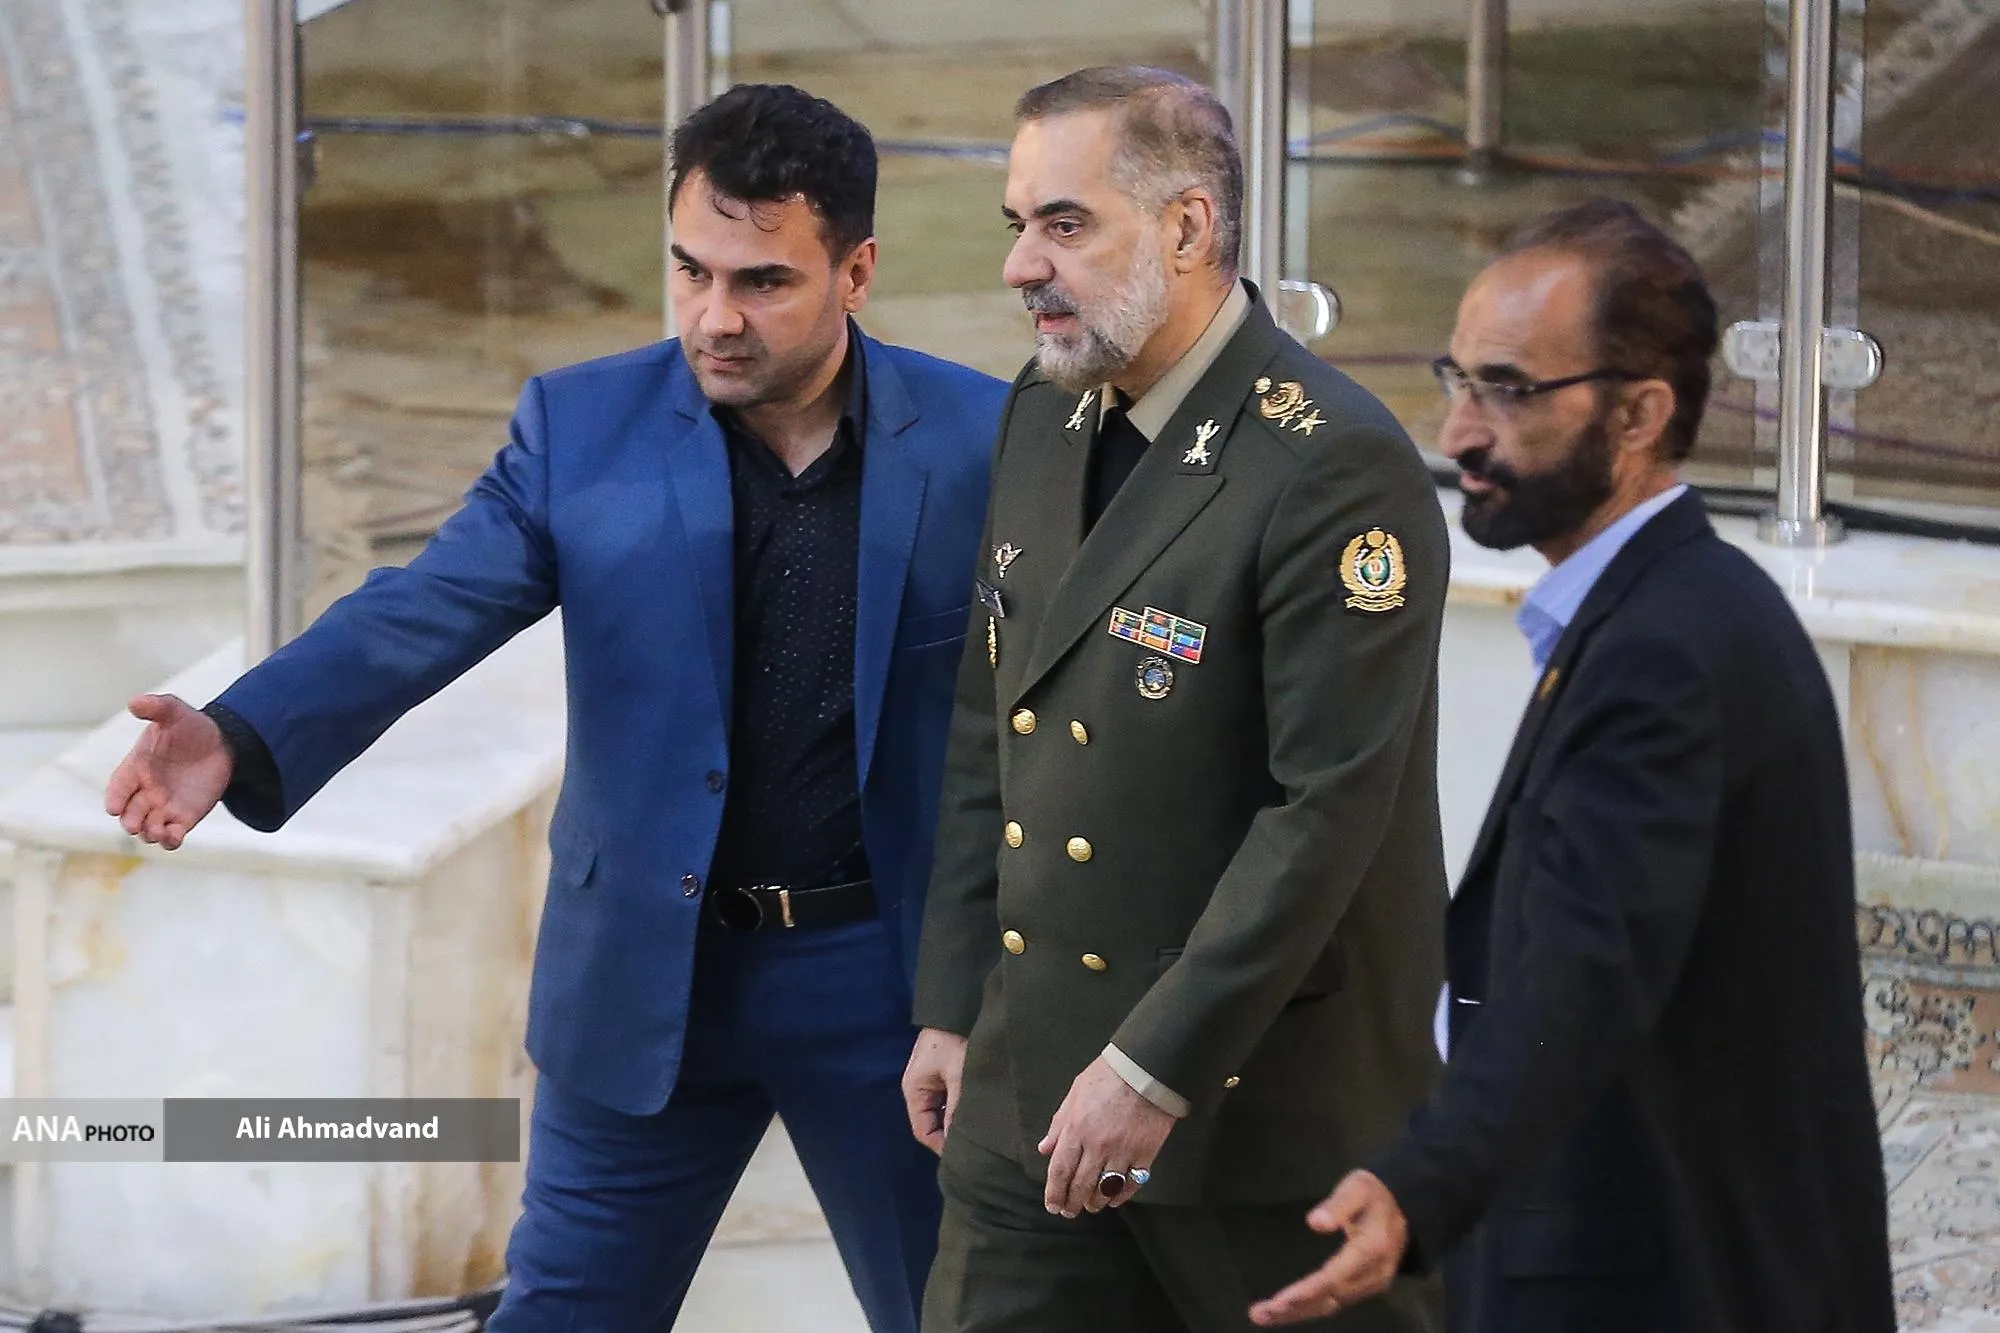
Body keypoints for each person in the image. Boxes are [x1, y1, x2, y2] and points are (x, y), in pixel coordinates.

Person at [102, 84, 1009, 1333]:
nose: (714, 316)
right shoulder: (580, 429)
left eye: (762, 282)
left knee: (956, 1318)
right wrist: (239, 730)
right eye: (690, 271)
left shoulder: (985, 440)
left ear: (855, 270)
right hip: (646, 975)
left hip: (885, 983)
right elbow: (426, 607)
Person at [1250, 198, 1895, 1333]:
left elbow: (1586, 967)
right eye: (1457, 380)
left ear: (1639, 412)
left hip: (1657, 1277)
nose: (1457, 432)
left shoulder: (1666, 652)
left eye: (1508, 390)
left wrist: (1420, 1184)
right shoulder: (1666, 612)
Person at [901, 65, 1450, 1333]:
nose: (1020, 266)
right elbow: (992, 722)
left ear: (1187, 228)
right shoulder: (1041, 414)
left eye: (1064, 224)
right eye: (1016, 224)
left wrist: (1152, 1067)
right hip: (1028, 1083)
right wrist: (951, 1002)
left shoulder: (1331, 466)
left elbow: (1322, 813)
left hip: (1250, 1114)